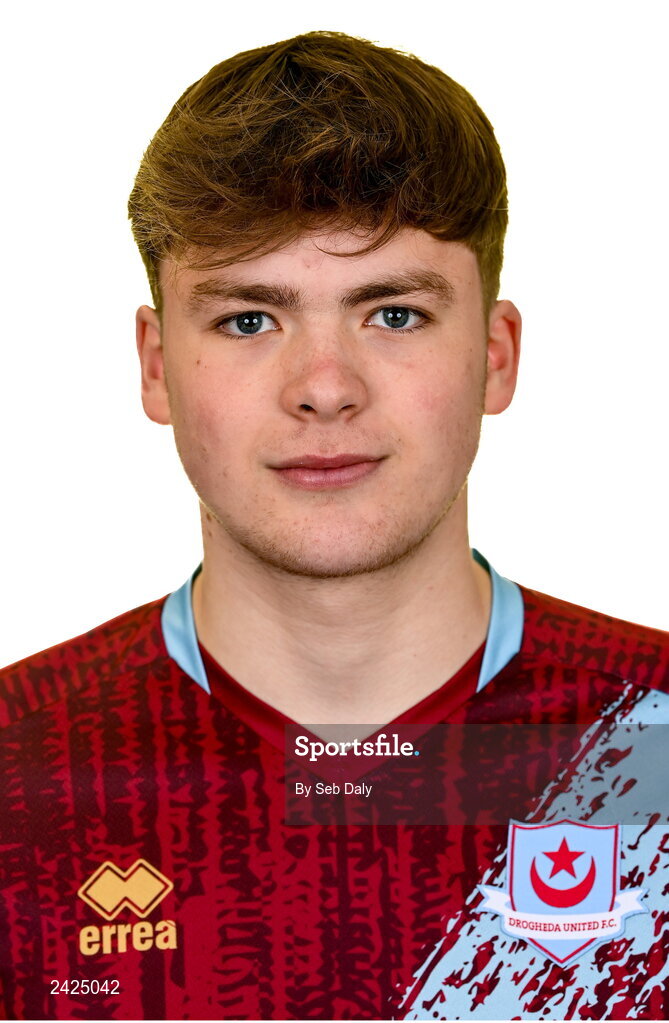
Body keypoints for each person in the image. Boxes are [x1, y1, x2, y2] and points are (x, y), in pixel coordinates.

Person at [0, 29, 667, 1022]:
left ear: (495, 355)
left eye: (392, 313)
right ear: (154, 365)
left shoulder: (649, 740)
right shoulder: (18, 765)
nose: (324, 388)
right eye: (248, 319)